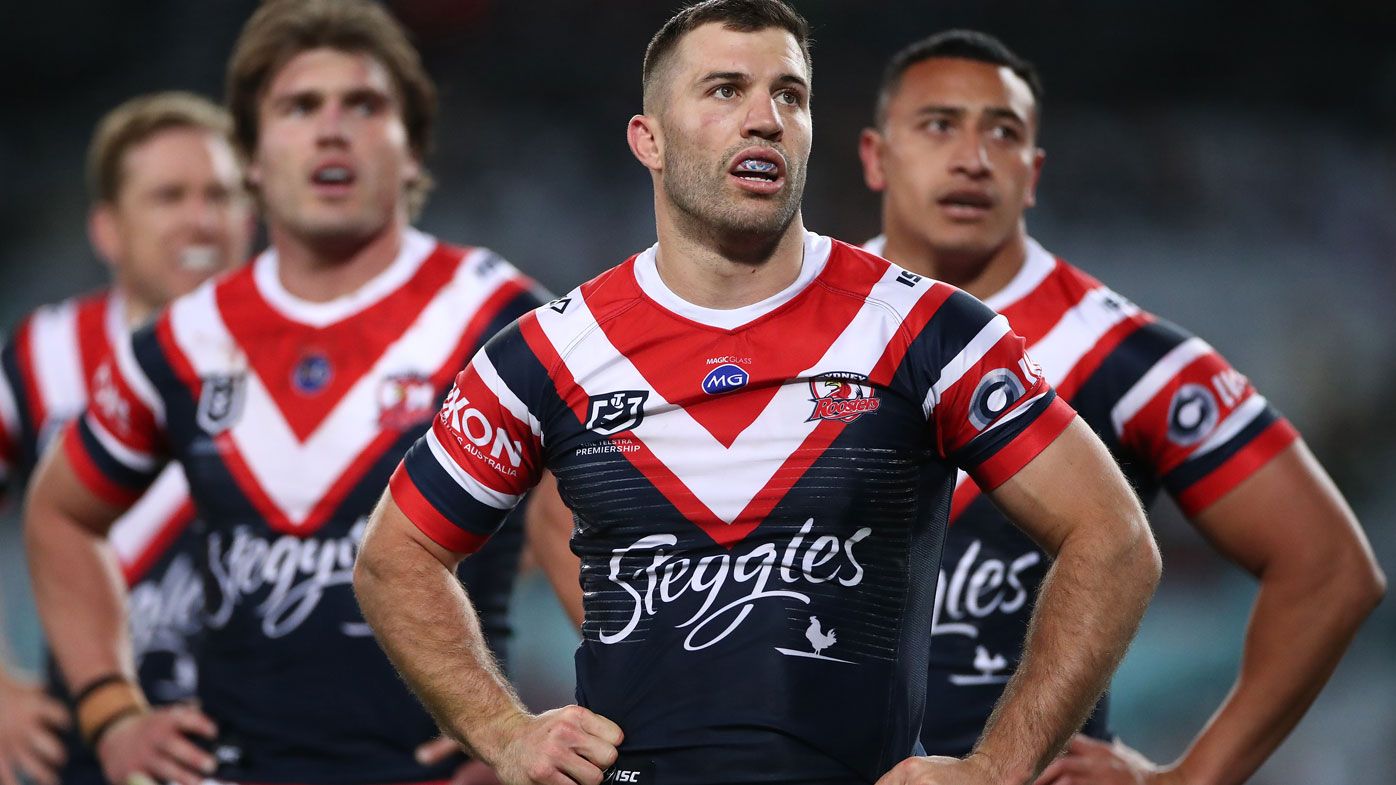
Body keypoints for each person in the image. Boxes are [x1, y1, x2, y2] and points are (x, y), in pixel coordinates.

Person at [352, 2, 1162, 784]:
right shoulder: (545, 353)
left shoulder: (927, 330)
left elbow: (1113, 536)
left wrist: (997, 767)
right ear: (650, 140)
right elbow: (397, 557)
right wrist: (503, 731)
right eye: (725, 90)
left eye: (790, 95)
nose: (766, 119)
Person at [23, 1, 558, 783]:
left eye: (365, 105)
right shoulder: (182, 340)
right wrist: (111, 714)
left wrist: (515, 728)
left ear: (412, 151)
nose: (331, 129)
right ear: (248, 154)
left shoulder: (500, 314)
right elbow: (60, 513)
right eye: (299, 106)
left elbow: (603, 523)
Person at [857, 30, 1386, 785]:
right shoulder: (799, 322)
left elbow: (1331, 569)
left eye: (1002, 133)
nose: (973, 156)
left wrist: (1183, 780)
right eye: (939, 124)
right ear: (877, 155)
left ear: (1033, 173)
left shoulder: (1122, 355)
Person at [0, 91, 252, 785]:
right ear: (107, 229)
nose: (201, 219)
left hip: (277, 744)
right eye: (169, 196)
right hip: (89, 743)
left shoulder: (315, 355)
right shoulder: (43, 354)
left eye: (222, 195)